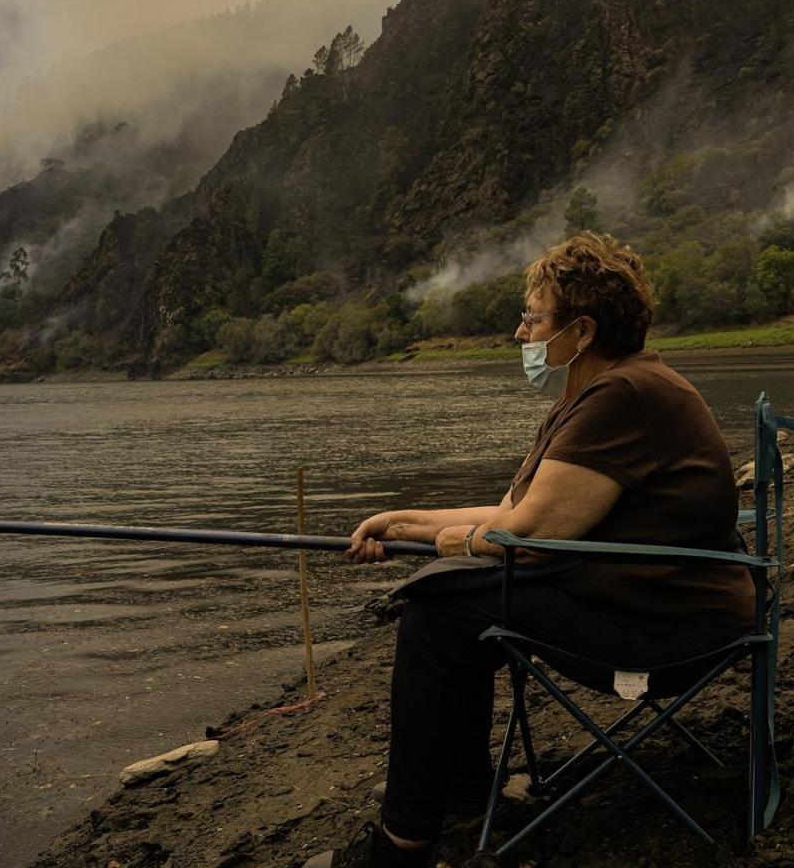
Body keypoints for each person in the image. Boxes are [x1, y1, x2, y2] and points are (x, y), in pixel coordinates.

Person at [305, 233, 754, 868]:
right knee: (454, 593)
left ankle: (403, 842)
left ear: (583, 331)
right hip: (653, 596)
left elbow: (530, 538)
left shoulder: (622, 396)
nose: (521, 333)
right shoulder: (593, 394)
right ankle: (460, 793)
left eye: (534, 319)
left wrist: (454, 544)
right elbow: (514, 513)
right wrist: (401, 522)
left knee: (439, 611)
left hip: (670, 627)